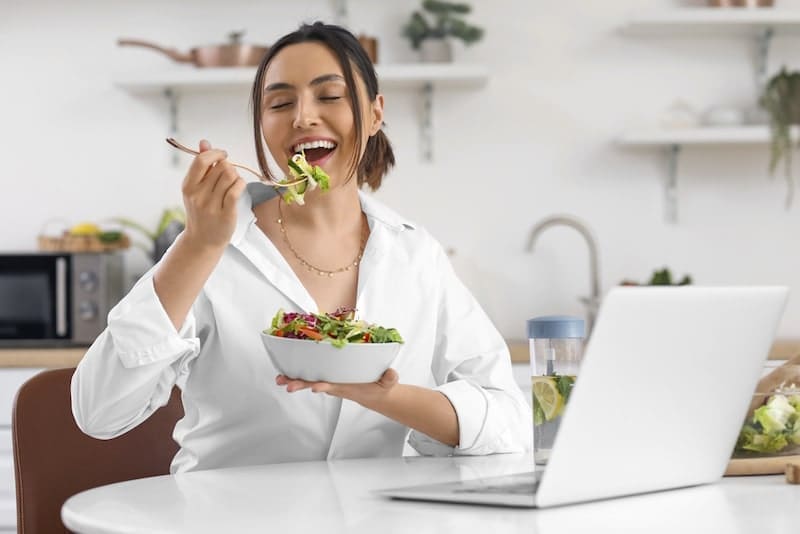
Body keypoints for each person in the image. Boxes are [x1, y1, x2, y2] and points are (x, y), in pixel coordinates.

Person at [71, 22, 531, 473]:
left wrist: (387, 397)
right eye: (280, 102)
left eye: (330, 96)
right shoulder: (213, 251)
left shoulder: (415, 255)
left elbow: (507, 420)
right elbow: (99, 412)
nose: (303, 116)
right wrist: (197, 245)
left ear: (374, 114)